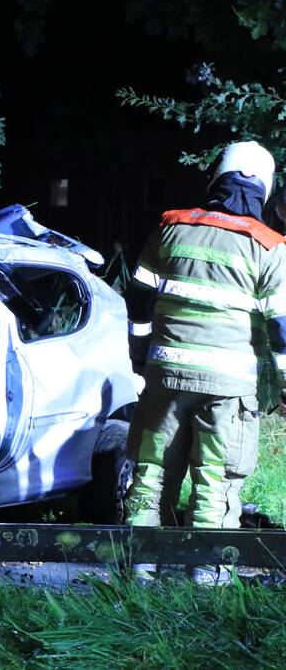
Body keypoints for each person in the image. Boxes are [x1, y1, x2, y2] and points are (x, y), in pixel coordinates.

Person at [123, 140, 286, 584]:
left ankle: (139, 566)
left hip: (165, 375)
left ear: (216, 178)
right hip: (227, 385)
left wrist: (140, 356)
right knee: (216, 475)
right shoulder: (269, 248)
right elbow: (282, 328)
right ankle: (207, 574)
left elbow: (137, 298)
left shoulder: (170, 229)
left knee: (152, 471)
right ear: (265, 189)